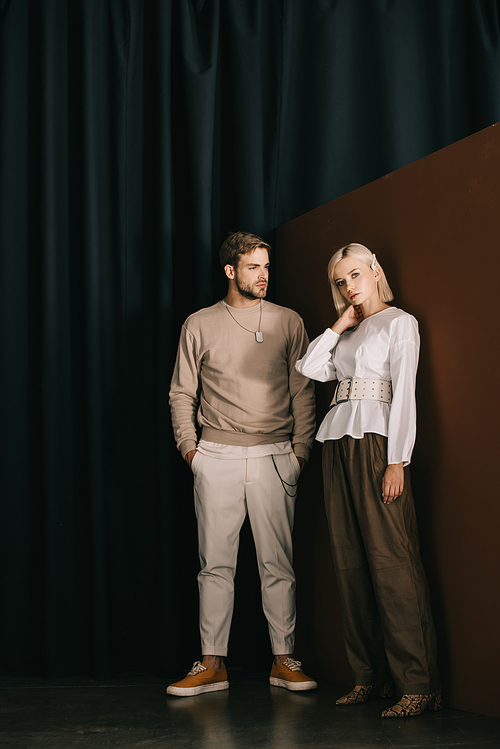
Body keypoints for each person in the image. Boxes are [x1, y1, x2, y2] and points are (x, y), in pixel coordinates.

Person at [167, 231, 317, 696]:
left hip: (276, 456)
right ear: (230, 270)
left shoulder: (289, 322)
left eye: (267, 267)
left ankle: (283, 661)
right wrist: (192, 452)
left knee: (279, 564)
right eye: (254, 267)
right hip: (216, 456)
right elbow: (181, 392)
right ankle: (212, 664)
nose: (264, 275)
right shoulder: (199, 324)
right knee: (215, 566)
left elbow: (303, 391)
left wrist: (300, 452)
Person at [295, 243, 441, 718]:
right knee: (350, 561)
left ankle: (417, 684)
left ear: (375, 271)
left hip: (378, 446)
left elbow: (405, 395)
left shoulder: (400, 323)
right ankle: (368, 677)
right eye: (340, 281)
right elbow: (309, 368)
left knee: (392, 561)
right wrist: (339, 324)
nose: (348, 287)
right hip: (336, 444)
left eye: (355, 275)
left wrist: (397, 460)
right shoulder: (348, 332)